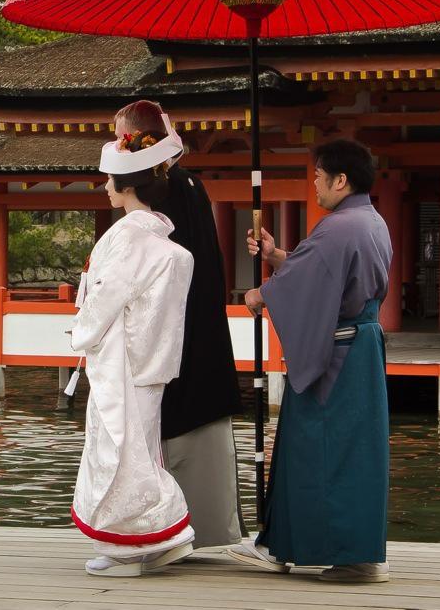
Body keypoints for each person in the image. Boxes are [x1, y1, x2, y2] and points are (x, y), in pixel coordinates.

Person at [231, 139, 393, 583]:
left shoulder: (337, 227)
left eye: (319, 177)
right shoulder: (370, 221)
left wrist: (261, 293)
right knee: (354, 452)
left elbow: (309, 279)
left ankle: (332, 551)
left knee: (317, 449)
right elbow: (319, 271)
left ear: (342, 180)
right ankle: (341, 549)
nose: (315, 185)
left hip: (334, 358)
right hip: (360, 348)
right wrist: (275, 256)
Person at [113, 100, 245, 549]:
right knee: (190, 415)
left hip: (173, 322)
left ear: (137, 139)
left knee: (172, 419)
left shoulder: (168, 190)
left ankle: (173, 528)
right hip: (197, 319)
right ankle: (203, 527)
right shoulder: (188, 184)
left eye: (119, 136)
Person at [69, 126, 196, 577]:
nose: (105, 187)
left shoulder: (123, 239)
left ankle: (139, 542)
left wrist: (80, 332)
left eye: (109, 181)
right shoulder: (170, 248)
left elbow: (104, 298)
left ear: (127, 187)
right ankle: (149, 539)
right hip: (153, 360)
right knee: (139, 446)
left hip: (121, 362)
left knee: (118, 452)